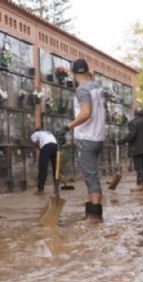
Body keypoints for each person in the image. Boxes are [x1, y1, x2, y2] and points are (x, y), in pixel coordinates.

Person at [56, 59, 107, 222]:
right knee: (90, 175)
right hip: (98, 136)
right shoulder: (98, 88)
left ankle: (95, 216)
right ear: (87, 72)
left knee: (91, 177)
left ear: (73, 73)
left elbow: (86, 113)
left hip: (88, 138)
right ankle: (90, 210)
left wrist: (67, 127)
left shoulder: (82, 90)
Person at [119, 107, 143, 192]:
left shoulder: (133, 122)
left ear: (135, 114)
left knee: (139, 167)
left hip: (136, 148)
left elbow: (132, 135)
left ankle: (141, 184)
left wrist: (121, 141)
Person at [30, 128, 59, 195]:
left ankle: (40, 189)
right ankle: (56, 189)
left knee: (43, 168)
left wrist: (40, 149)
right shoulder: (49, 132)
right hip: (56, 147)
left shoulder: (35, 134)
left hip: (46, 147)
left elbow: (35, 142)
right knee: (56, 168)